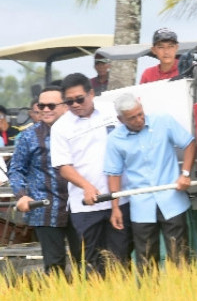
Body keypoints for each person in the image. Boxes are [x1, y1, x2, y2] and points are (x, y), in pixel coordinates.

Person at [104, 93, 196, 273]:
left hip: (172, 198)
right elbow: (113, 174)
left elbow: (189, 143)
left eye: (140, 114)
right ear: (120, 119)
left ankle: (185, 294)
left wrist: (185, 173)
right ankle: (149, 297)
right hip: (141, 205)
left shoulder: (163, 121)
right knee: (146, 260)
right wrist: (115, 207)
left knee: (180, 257)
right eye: (132, 118)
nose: (139, 120)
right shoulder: (115, 139)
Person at [51, 73, 131, 276]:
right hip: (85, 206)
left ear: (91, 93)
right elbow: (63, 165)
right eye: (69, 102)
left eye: (80, 99)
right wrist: (86, 186)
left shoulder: (111, 111)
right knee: (92, 263)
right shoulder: (61, 127)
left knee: (120, 258)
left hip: (118, 201)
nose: (75, 105)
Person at [8, 86, 81, 275]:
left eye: (51, 105)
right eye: (41, 105)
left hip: (81, 206)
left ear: (65, 107)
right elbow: (16, 170)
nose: (45, 109)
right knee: (54, 265)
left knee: (86, 262)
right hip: (45, 208)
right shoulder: (28, 137)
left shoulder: (80, 131)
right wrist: (22, 196)